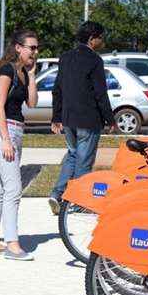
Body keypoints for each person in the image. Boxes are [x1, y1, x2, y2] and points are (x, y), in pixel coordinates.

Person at [48, 21, 116, 214]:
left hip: (69, 118)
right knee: (84, 162)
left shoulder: (66, 57)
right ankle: (78, 202)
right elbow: (100, 93)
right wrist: (109, 119)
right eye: (100, 37)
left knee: (72, 156)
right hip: (88, 119)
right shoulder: (95, 60)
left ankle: (57, 194)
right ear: (92, 38)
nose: (102, 41)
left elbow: (57, 89)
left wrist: (56, 116)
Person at [0, 30, 39, 261]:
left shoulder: (24, 73)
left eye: (36, 48)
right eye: (31, 48)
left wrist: (33, 75)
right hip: (4, 131)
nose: (35, 52)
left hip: (17, 131)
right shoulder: (7, 70)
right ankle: (12, 244)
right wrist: (5, 139)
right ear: (18, 47)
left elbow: (32, 103)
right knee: (14, 189)